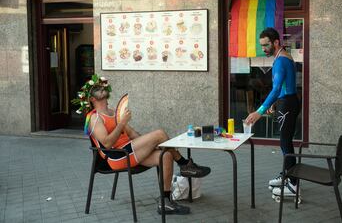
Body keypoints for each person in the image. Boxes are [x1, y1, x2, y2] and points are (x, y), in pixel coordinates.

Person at [73, 75, 211, 215]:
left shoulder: (114, 112)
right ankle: (184, 164)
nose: (101, 88)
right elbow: (107, 144)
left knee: (166, 155)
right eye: (96, 88)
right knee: (160, 134)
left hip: (131, 150)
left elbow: (132, 134)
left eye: (101, 86)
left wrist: (150, 145)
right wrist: (121, 123)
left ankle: (165, 202)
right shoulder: (95, 118)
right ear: (92, 99)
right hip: (117, 156)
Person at [245, 27, 300, 198]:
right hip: (287, 102)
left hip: (288, 104)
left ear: (276, 42)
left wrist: (259, 111)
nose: (264, 49)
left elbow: (277, 88)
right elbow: (285, 86)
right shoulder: (283, 57)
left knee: (285, 143)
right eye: (262, 46)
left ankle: (293, 185)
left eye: (266, 45)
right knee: (285, 142)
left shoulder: (281, 61)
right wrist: (276, 103)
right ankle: (288, 175)